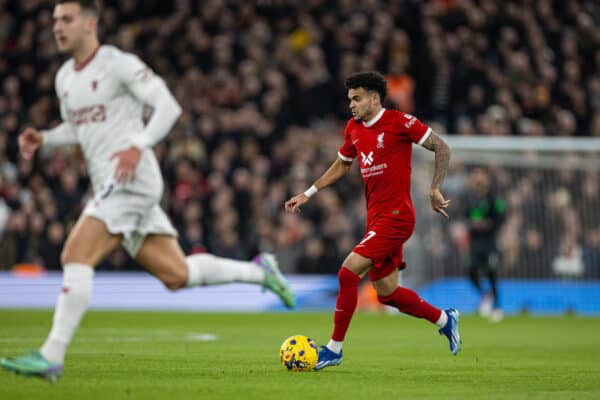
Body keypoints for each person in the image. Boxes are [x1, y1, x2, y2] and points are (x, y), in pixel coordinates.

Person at [0, 0, 295, 382]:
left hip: (132, 178)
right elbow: (77, 131)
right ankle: (260, 272)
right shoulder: (64, 79)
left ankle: (50, 355)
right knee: (176, 275)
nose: (58, 27)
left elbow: (168, 107)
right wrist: (45, 138)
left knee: (76, 252)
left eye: (67, 19)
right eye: (55, 20)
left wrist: (138, 144)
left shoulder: (117, 63)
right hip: (112, 181)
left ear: (90, 23)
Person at [285, 71, 460, 370]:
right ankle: (445, 319)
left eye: (357, 98)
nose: (351, 104)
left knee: (347, 273)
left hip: (397, 217)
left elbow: (442, 147)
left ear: (374, 97)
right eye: (349, 99)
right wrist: (309, 192)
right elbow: (342, 165)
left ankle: (334, 349)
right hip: (376, 219)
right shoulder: (353, 128)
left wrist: (433, 188)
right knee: (388, 293)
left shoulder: (399, 122)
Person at [464, 168, 506, 321]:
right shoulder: (469, 197)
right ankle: (485, 294)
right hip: (475, 243)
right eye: (475, 175)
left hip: (490, 242)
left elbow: (502, 216)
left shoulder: (494, 197)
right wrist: (471, 224)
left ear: (487, 178)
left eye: (481, 175)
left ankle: (497, 307)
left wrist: (489, 224)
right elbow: (465, 216)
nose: (478, 178)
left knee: (492, 273)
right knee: (470, 270)